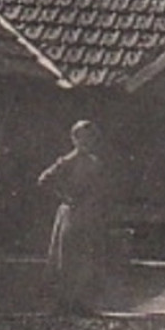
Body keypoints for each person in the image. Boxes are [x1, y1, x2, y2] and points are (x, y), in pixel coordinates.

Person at [38, 120, 113, 315]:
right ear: (74, 139)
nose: (87, 141)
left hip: (90, 213)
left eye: (91, 137)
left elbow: (101, 188)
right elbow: (45, 179)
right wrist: (65, 196)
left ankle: (82, 302)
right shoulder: (67, 161)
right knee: (68, 257)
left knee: (87, 257)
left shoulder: (95, 162)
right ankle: (63, 303)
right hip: (72, 214)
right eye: (82, 137)